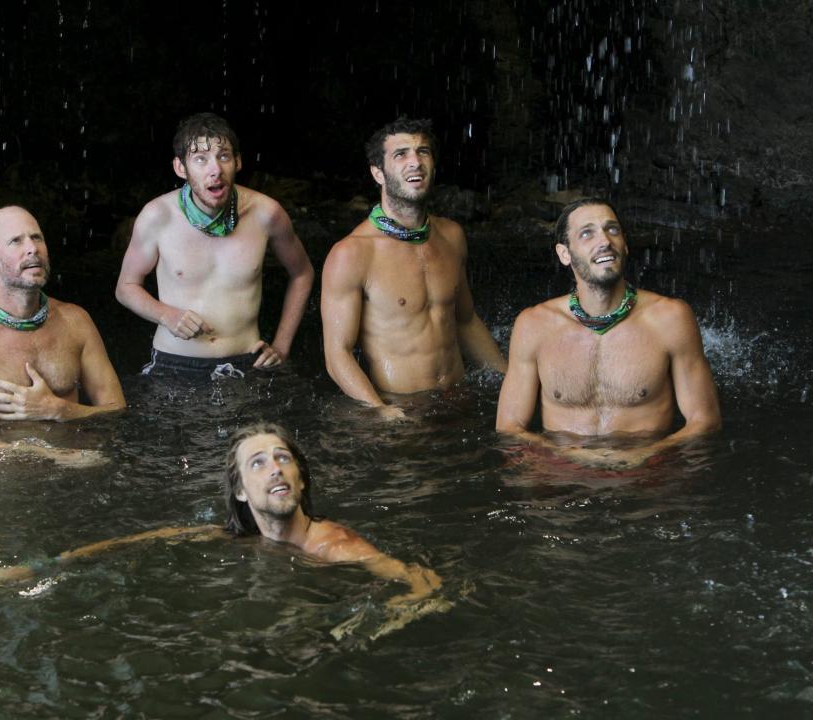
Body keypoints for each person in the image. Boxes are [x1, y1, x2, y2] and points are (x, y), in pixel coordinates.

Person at [0, 423, 447, 639]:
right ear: (241, 492)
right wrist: (43, 566)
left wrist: (384, 620)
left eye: (284, 459)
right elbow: (143, 541)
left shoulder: (334, 546)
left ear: (301, 478)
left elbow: (425, 583)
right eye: (258, 463)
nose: (275, 470)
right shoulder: (241, 537)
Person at [495, 198, 721, 467]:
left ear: (625, 244)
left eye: (612, 230)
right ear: (564, 254)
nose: (604, 241)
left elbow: (705, 420)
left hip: (646, 473)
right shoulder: (534, 325)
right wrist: (573, 457)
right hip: (562, 474)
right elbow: (509, 427)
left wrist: (646, 454)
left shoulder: (670, 318)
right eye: (587, 233)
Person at [321, 117, 506, 419]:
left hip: (458, 399)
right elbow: (337, 354)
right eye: (401, 154)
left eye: (423, 152)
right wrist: (380, 411)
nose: (415, 162)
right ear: (377, 173)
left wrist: (509, 377)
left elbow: (466, 320)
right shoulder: (352, 253)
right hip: (403, 411)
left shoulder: (452, 236)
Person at [115, 113, 314, 381]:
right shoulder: (157, 216)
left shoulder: (266, 213)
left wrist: (281, 345)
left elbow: (302, 273)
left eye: (224, 156)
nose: (215, 170)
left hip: (246, 363)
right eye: (200, 159)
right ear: (180, 168)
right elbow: (125, 288)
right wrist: (167, 315)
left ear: (238, 161)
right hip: (174, 364)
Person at [0, 206, 126, 465]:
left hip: (78, 466)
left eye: (37, 238)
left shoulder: (75, 321)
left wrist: (60, 410)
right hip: (5, 480)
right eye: (16, 241)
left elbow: (116, 410)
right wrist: (55, 457)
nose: (32, 248)